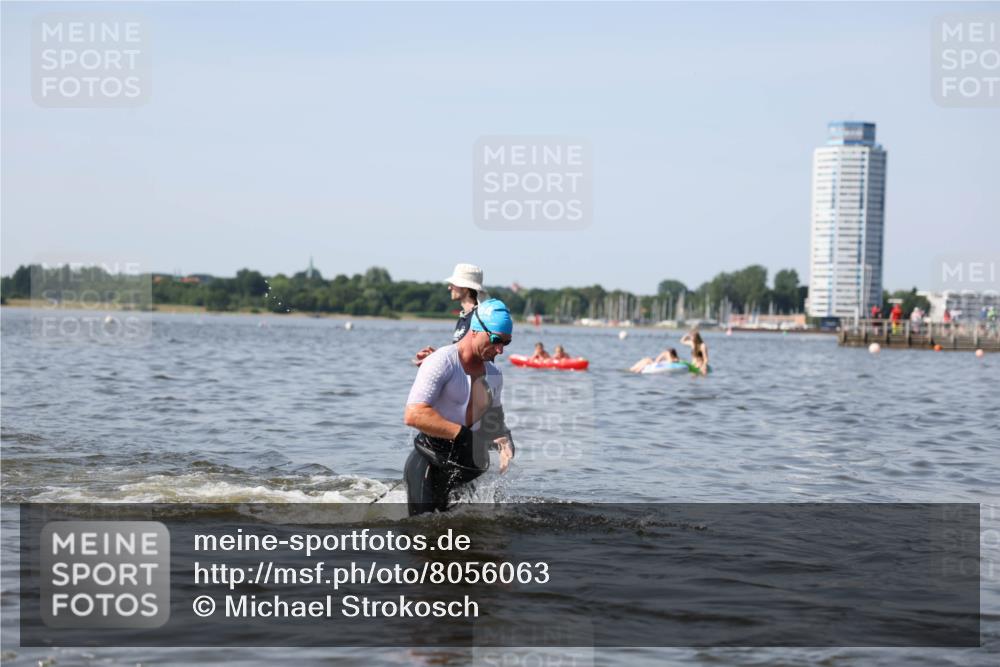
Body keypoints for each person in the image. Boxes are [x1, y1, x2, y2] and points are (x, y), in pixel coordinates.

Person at [403, 298, 515, 516]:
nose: (500, 350)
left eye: (506, 343)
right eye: (496, 340)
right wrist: (463, 436)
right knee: (424, 536)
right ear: (475, 330)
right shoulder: (441, 362)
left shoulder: (494, 375)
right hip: (429, 462)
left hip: (463, 471)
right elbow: (413, 414)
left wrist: (504, 441)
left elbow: (494, 420)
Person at [413, 263, 488, 365]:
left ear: (465, 288)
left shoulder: (478, 318)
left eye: (453, 284)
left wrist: (437, 360)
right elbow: (460, 356)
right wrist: (436, 357)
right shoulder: (464, 317)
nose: (449, 288)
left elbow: (472, 360)